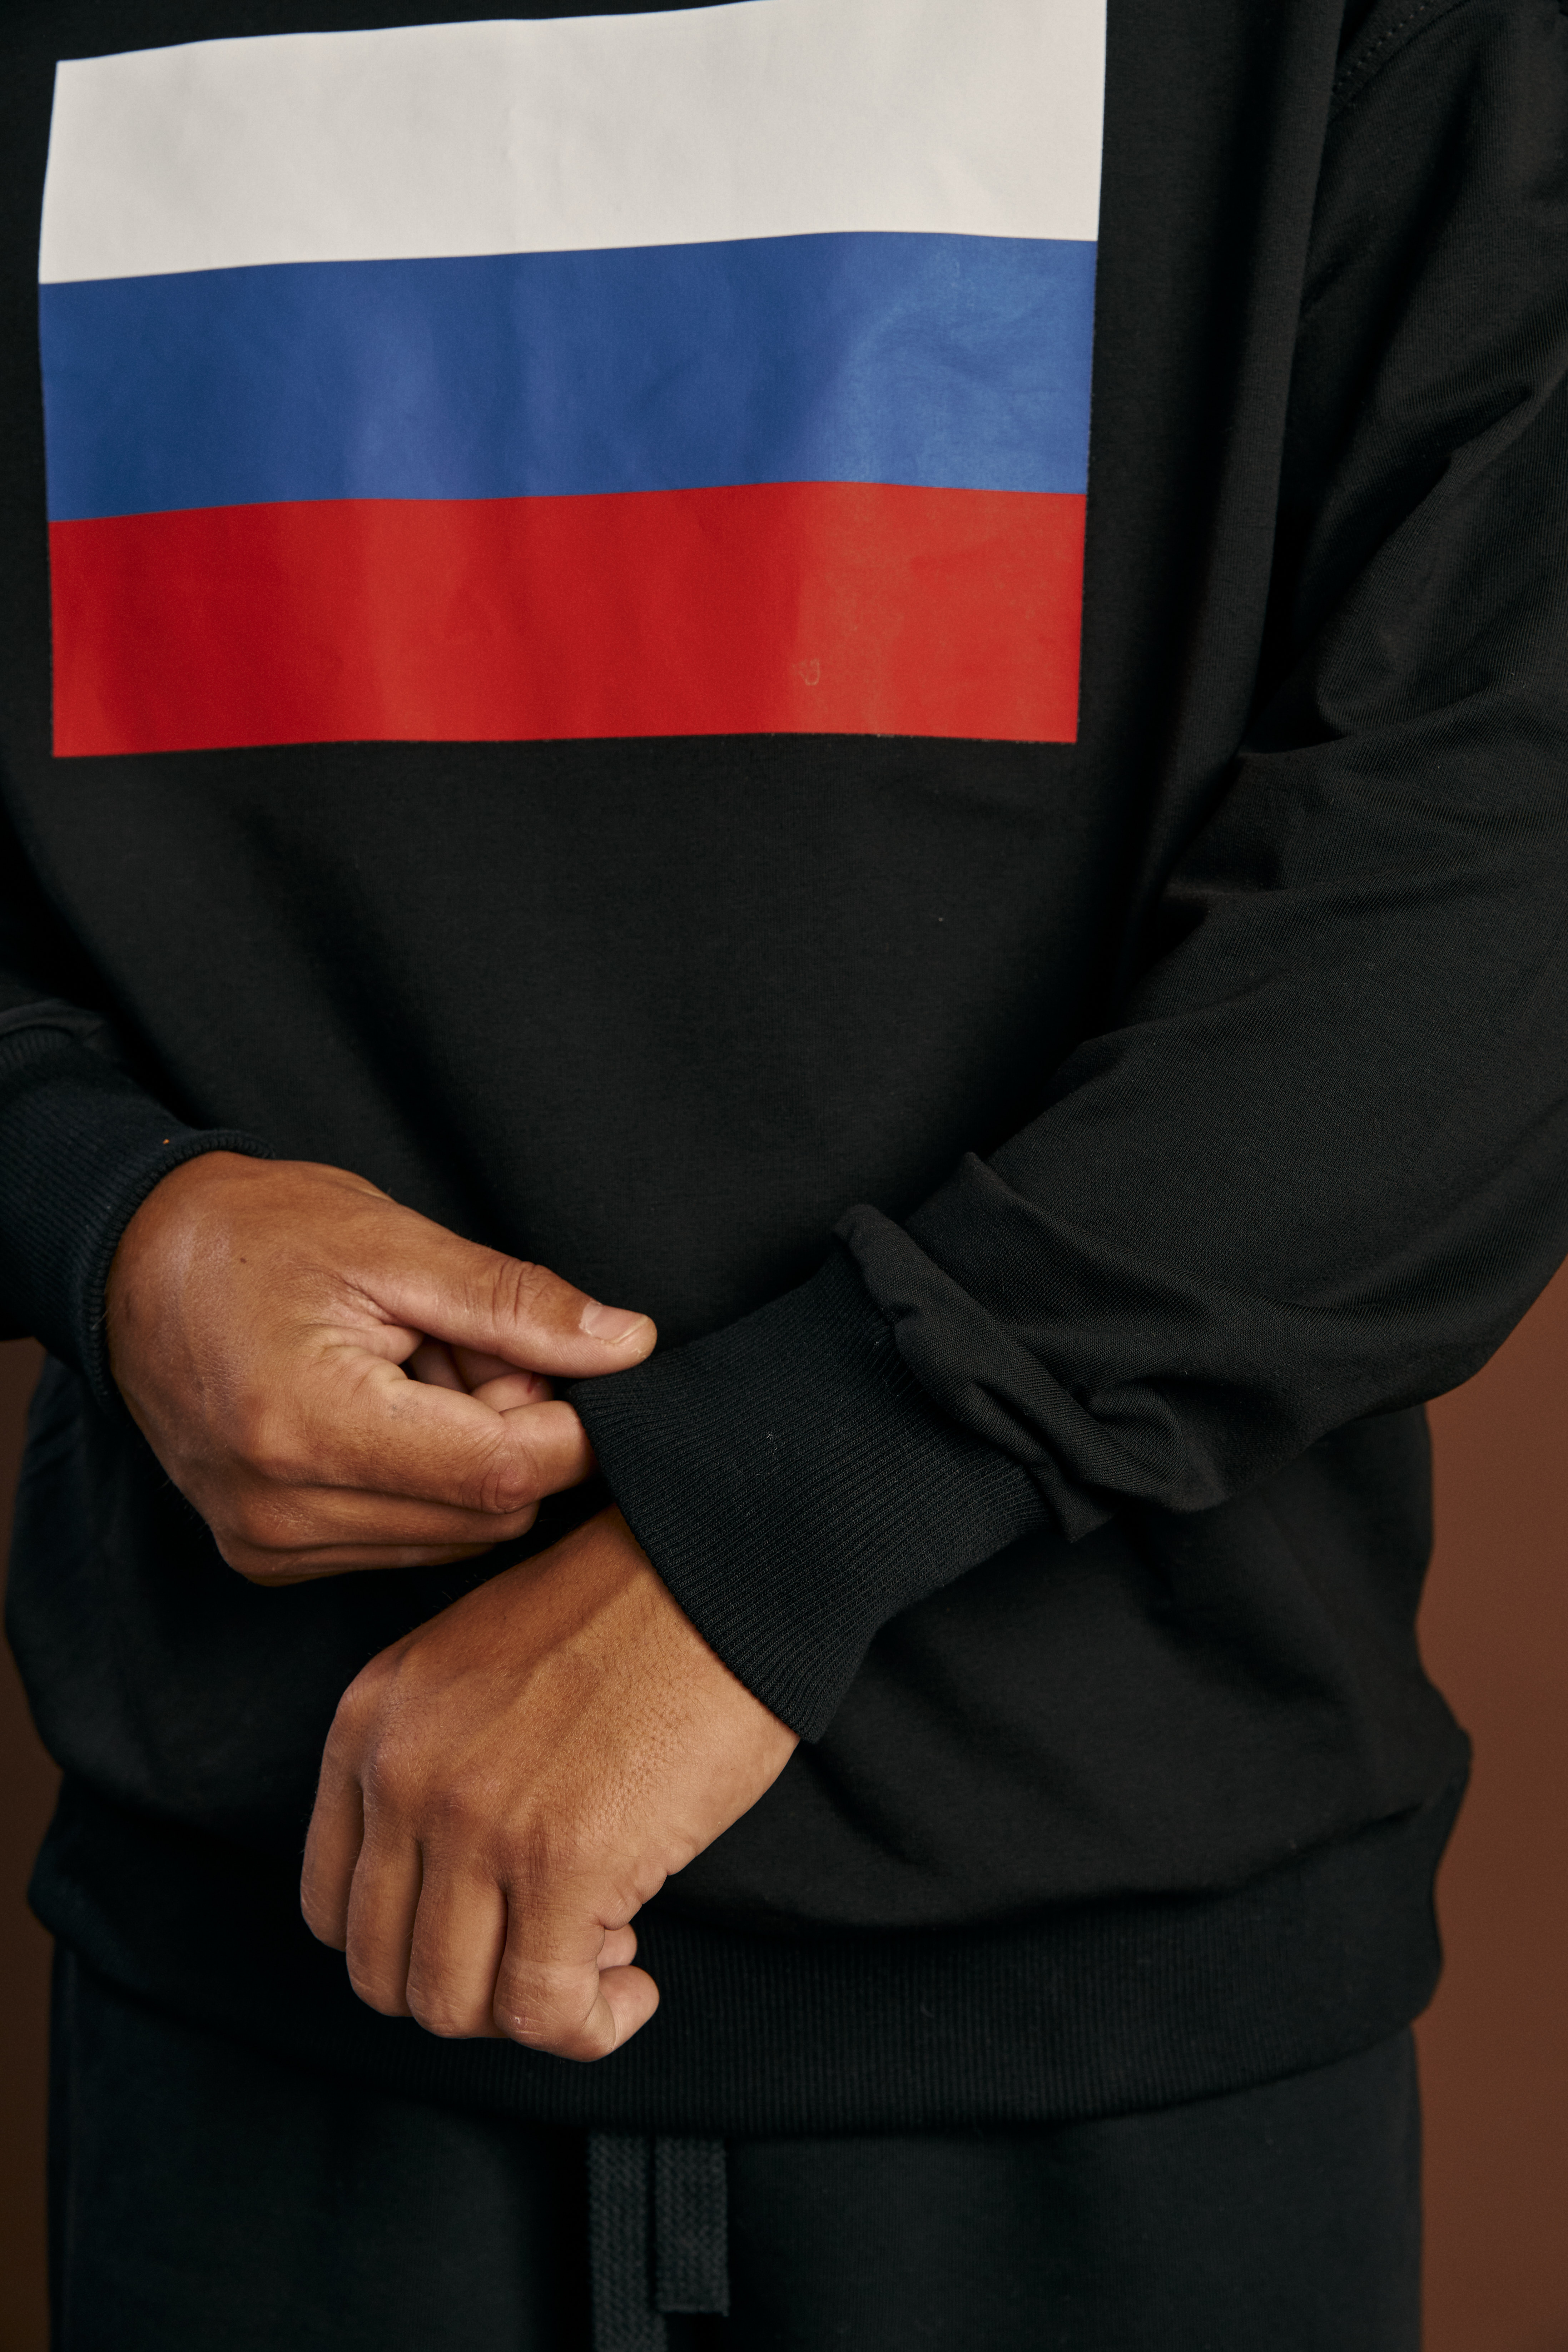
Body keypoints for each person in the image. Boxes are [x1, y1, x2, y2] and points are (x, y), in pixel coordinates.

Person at [3, 0, 1565, 2343]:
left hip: (1114, 2028)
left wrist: (790, 1518)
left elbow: (1497, 836)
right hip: (264, 1993)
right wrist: (104, 1217)